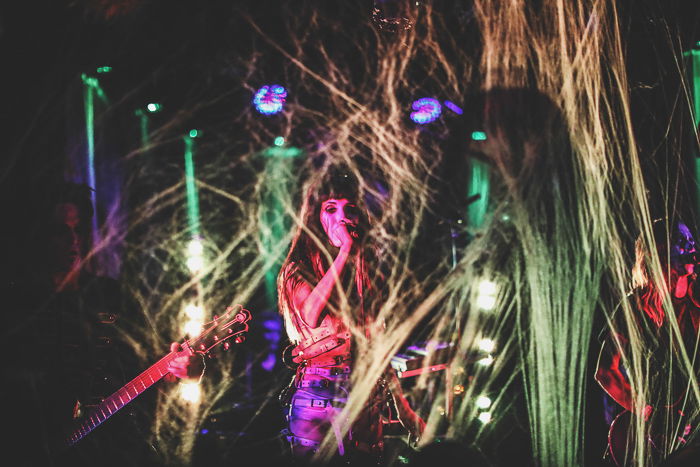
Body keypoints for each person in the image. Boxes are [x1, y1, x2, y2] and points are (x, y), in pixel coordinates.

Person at [2, 180, 196, 467]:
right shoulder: (14, 303)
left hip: (114, 451)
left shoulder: (111, 296)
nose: (73, 240)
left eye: (77, 229)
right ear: (35, 236)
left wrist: (186, 370)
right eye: (60, 231)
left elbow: (153, 366)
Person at [277, 171, 425, 465]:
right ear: (316, 218)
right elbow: (312, 314)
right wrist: (345, 251)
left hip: (364, 399)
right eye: (331, 209)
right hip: (319, 394)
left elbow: (376, 347)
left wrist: (404, 410)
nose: (343, 218)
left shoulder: (367, 274)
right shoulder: (298, 267)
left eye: (351, 210)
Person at [595, 219, 700, 465]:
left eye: (692, 241)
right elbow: (605, 372)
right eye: (681, 242)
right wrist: (647, 412)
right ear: (659, 251)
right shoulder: (635, 307)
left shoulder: (695, 303)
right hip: (652, 439)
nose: (692, 247)